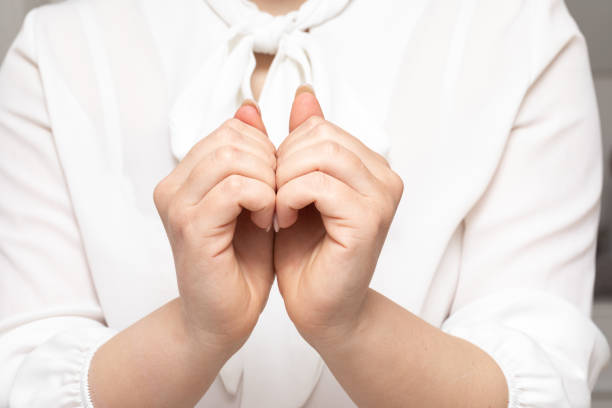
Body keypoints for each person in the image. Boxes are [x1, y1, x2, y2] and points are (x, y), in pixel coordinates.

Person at [0, 0, 609, 407]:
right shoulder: (58, 45)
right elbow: (23, 380)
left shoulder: (521, 31)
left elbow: (545, 382)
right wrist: (195, 333)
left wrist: (351, 324)